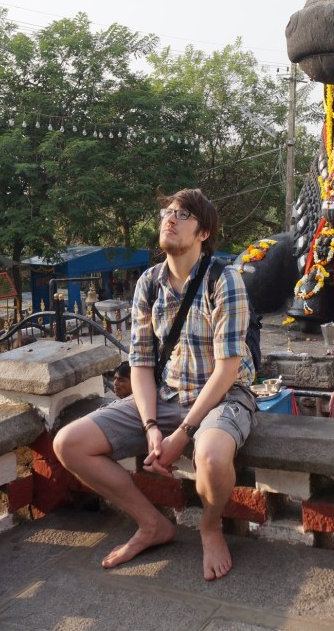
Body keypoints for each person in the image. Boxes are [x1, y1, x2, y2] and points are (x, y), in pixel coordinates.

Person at [54, 188, 256, 580]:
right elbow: (142, 366)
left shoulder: (223, 280)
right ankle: (152, 524)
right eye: (168, 212)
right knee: (68, 443)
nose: (171, 218)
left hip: (223, 397)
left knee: (212, 458)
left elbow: (227, 370)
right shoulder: (149, 282)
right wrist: (150, 427)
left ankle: (209, 526)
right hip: (166, 393)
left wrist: (183, 433)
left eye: (183, 215)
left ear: (203, 233)